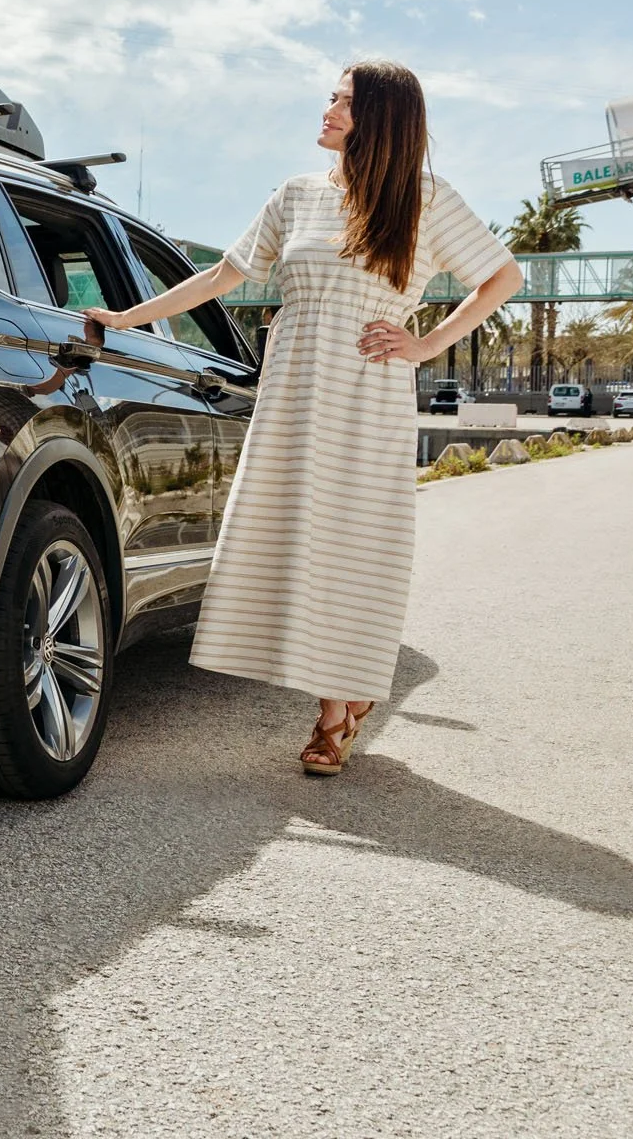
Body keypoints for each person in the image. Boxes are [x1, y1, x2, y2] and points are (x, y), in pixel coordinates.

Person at [81, 60, 521, 774]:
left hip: (370, 393)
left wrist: (428, 342)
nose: (327, 110)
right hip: (292, 391)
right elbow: (223, 276)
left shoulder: (427, 200)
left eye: (343, 102)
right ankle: (337, 700)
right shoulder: (295, 196)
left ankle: (335, 709)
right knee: (299, 542)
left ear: (379, 117)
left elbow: (503, 276)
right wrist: (128, 317)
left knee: (354, 547)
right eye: (331, 97)